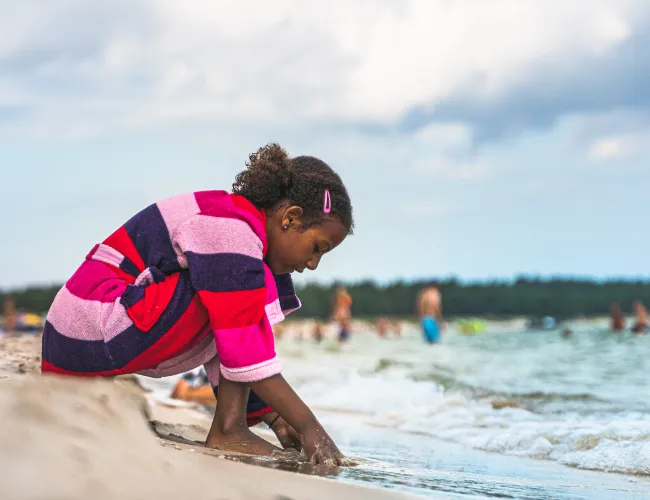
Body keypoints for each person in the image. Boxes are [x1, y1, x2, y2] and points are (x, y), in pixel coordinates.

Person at [40, 143, 353, 465]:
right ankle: (229, 429)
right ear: (290, 217)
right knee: (238, 290)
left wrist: (274, 416)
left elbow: (237, 336)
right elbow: (241, 342)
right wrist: (310, 427)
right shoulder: (230, 228)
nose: (313, 264)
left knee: (239, 289)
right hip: (88, 327)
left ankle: (232, 424)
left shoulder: (234, 222)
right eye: (317, 247)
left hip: (77, 338)